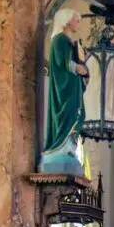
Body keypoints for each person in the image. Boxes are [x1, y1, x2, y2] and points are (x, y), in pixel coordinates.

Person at [40, 9, 89, 174]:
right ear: (67, 21)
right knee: (67, 115)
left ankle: (70, 148)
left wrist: (82, 64)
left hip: (72, 88)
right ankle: (59, 148)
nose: (78, 24)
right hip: (65, 89)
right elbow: (62, 62)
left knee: (79, 115)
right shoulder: (59, 40)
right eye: (76, 20)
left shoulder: (69, 42)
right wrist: (78, 67)